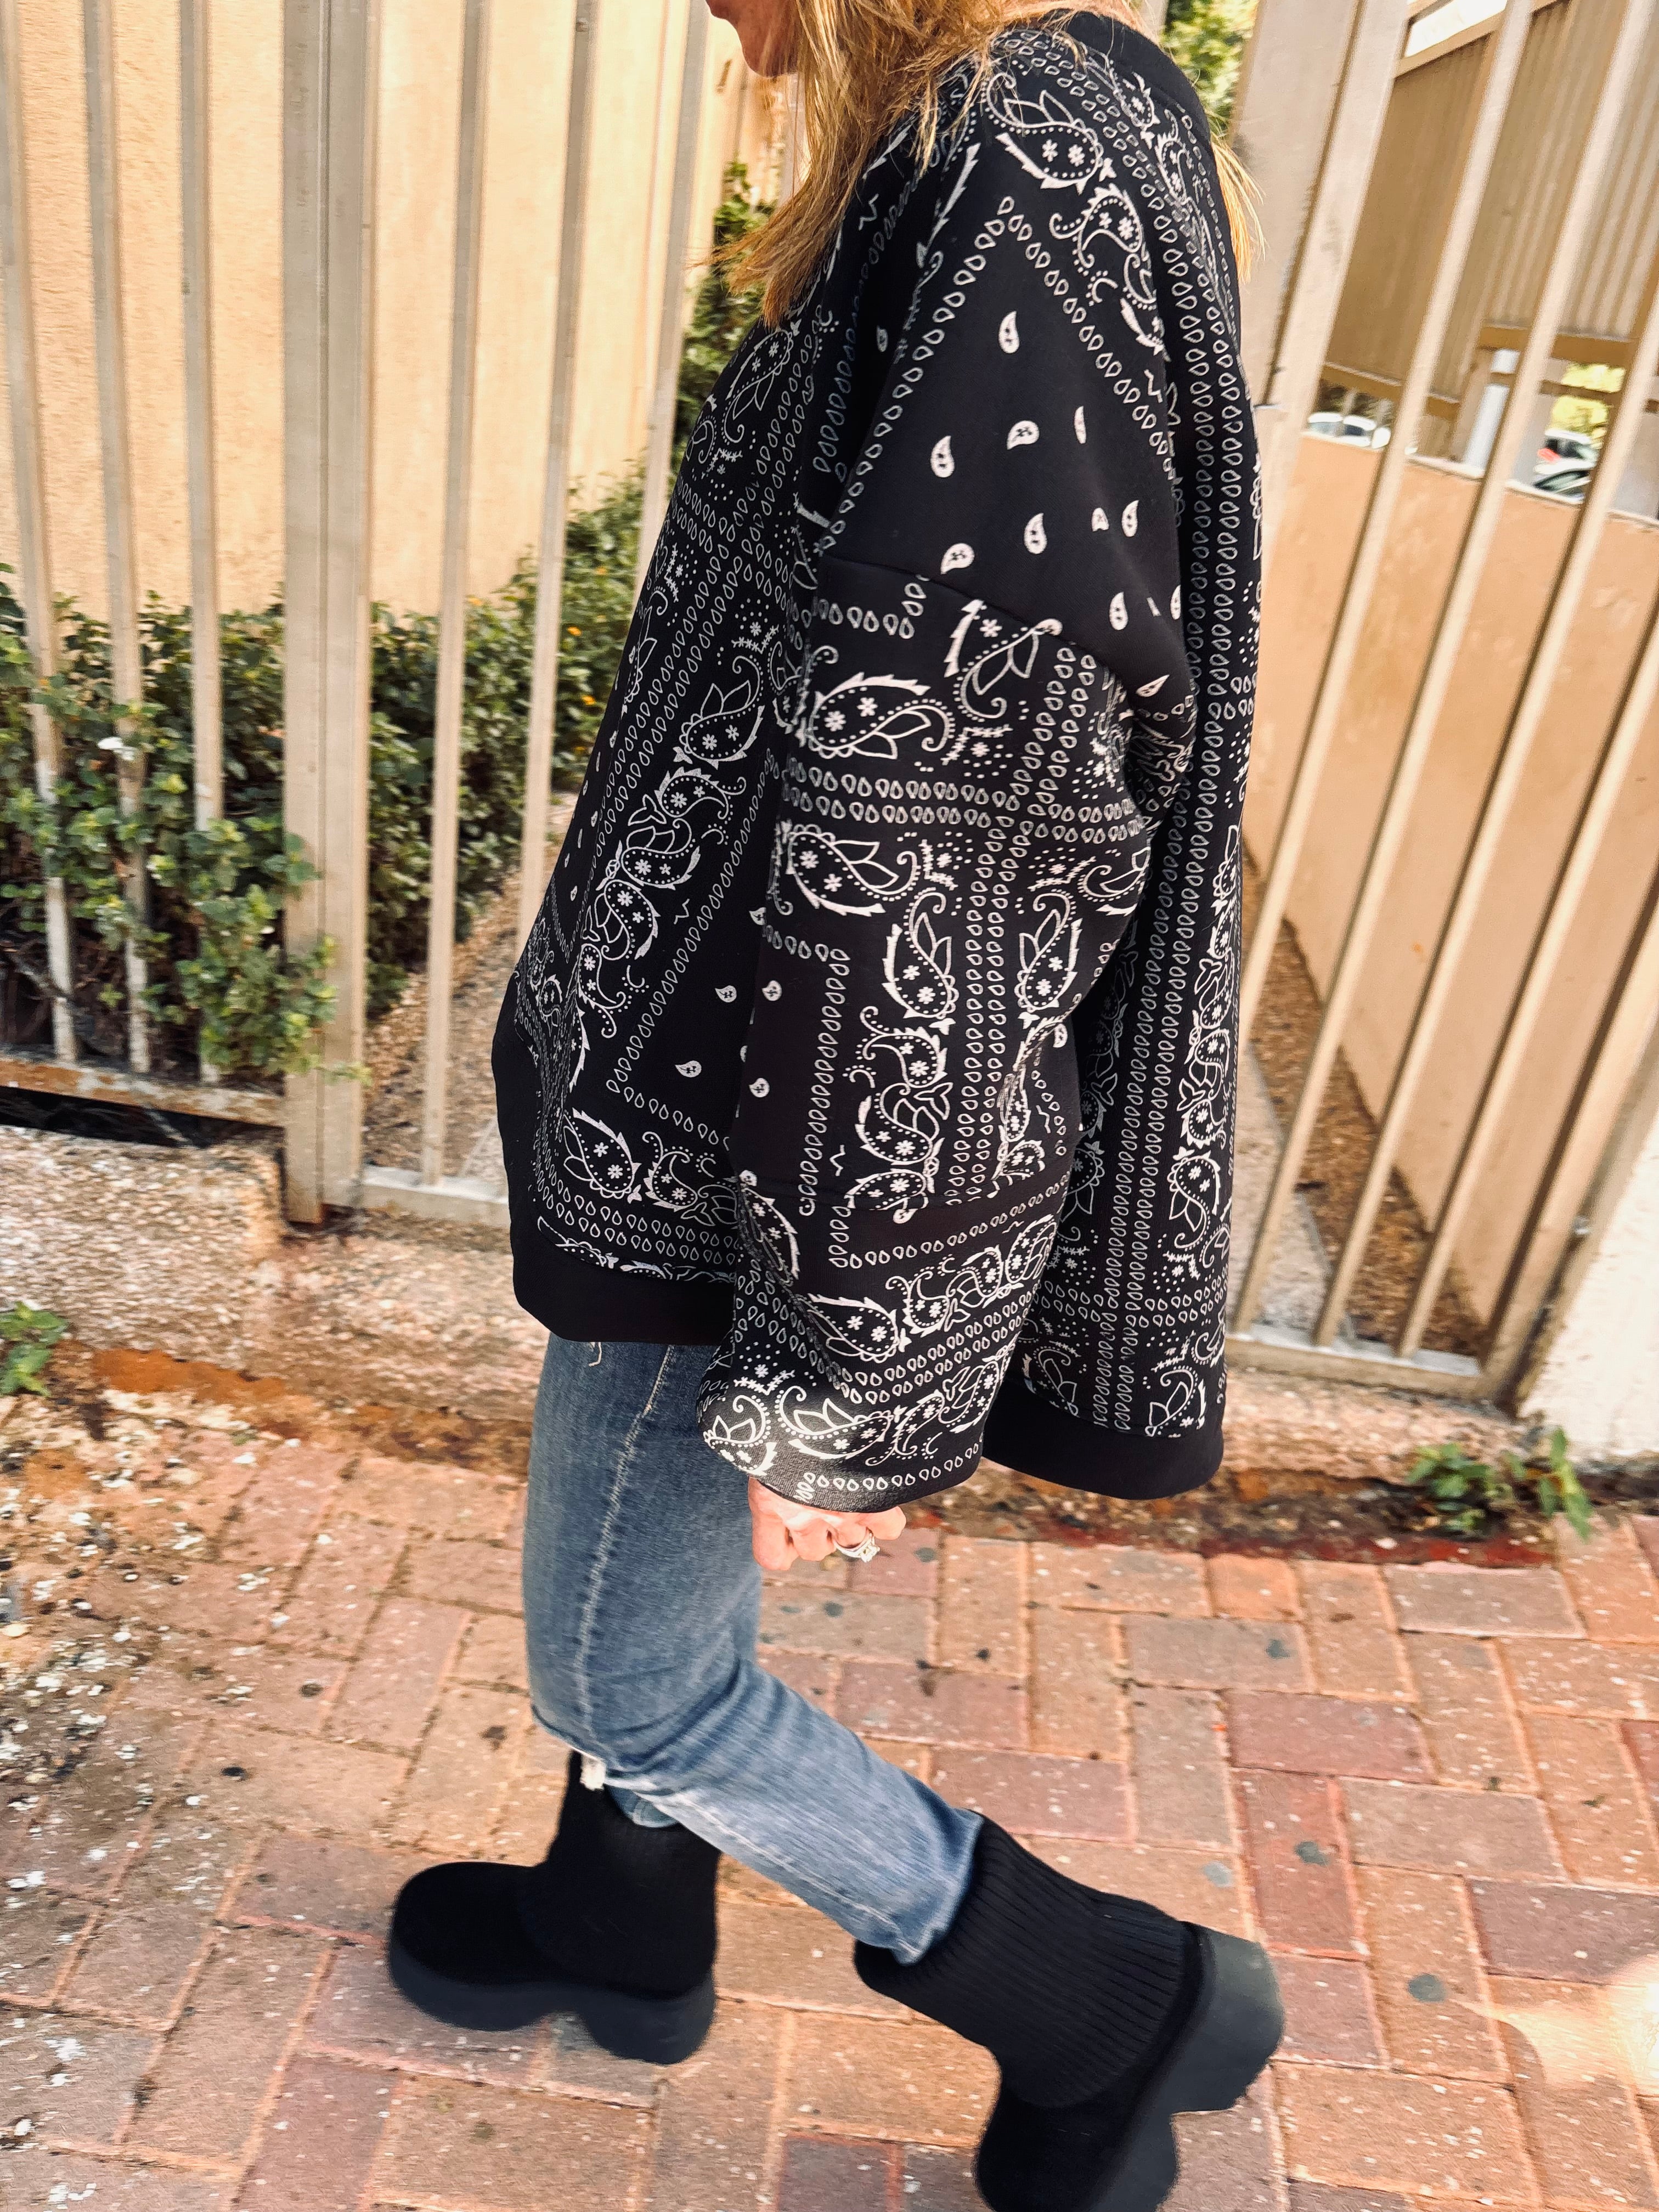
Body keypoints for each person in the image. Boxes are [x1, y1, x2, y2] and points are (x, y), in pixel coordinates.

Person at [389, 2, 1277, 2205]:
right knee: (645, 1626)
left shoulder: (1013, 164)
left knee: (636, 1678)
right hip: (723, 1110)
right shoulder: (1031, 124)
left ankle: (1105, 2002)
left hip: (749, 1146)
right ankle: (620, 1917)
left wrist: (851, 1368)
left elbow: (961, 822)